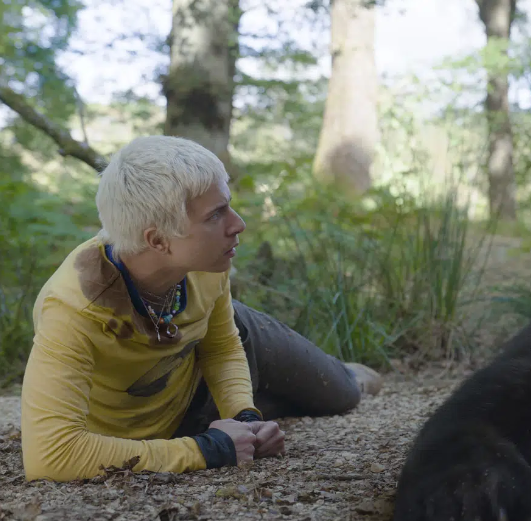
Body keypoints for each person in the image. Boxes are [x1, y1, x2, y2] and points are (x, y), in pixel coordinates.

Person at [20, 135, 385, 482]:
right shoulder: (73, 309)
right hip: (172, 419)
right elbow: (50, 455)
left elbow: (223, 346)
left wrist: (243, 417)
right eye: (216, 215)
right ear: (158, 240)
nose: (238, 225)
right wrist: (208, 450)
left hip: (204, 371)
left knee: (343, 395)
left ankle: (347, 375)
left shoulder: (207, 265)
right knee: (294, 405)